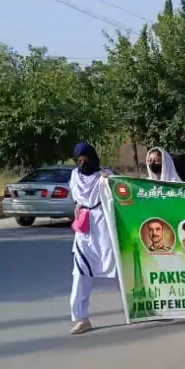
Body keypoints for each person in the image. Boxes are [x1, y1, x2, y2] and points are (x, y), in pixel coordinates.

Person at [68, 142, 116, 335]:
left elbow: (121, 191)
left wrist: (109, 180)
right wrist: (77, 206)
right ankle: (81, 318)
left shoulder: (104, 175)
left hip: (103, 225)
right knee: (80, 273)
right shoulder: (74, 176)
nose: (81, 163)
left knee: (117, 266)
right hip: (84, 228)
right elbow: (76, 197)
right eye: (78, 160)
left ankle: (141, 307)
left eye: (84, 159)